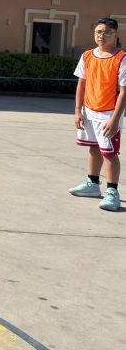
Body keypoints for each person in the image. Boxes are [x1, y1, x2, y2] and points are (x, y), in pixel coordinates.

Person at [69, 17, 125, 212]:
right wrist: (78, 111)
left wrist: (115, 118)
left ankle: (112, 192)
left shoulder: (121, 58)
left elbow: (123, 92)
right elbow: (81, 84)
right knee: (93, 148)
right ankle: (92, 184)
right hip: (89, 110)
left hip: (108, 114)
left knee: (109, 153)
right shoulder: (87, 56)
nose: (102, 36)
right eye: (98, 32)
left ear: (115, 34)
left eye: (107, 32)